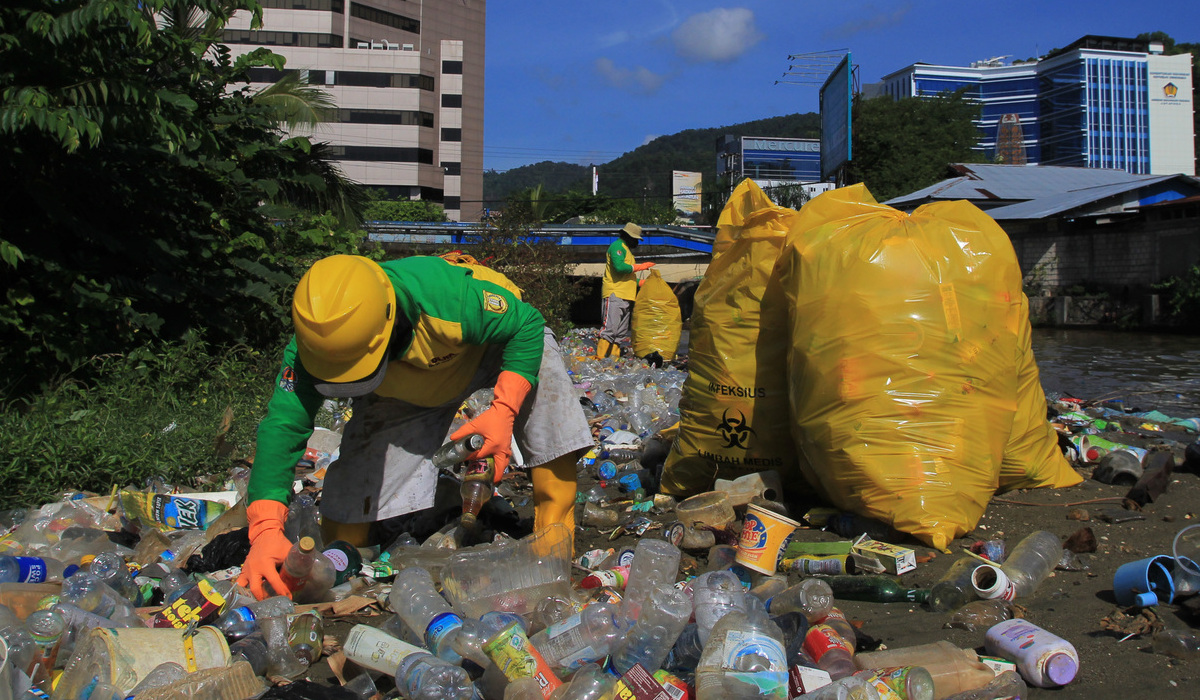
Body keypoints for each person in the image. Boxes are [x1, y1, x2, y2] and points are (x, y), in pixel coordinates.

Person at [239, 254, 593, 600]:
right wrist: (266, 529)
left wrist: (503, 411)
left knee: (545, 372)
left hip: (493, 348)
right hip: (411, 386)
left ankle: (552, 537)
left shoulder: (448, 299)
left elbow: (526, 324)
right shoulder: (311, 349)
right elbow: (283, 425)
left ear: (388, 325)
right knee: (354, 491)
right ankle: (349, 560)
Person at [595, 222, 655, 359]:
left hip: (627, 296)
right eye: (635, 239)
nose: (637, 243)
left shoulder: (627, 251)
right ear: (628, 236)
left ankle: (613, 359)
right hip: (615, 294)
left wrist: (645, 283)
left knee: (620, 332)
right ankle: (600, 358)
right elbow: (620, 268)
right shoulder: (617, 247)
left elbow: (629, 279)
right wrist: (641, 267)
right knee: (610, 328)